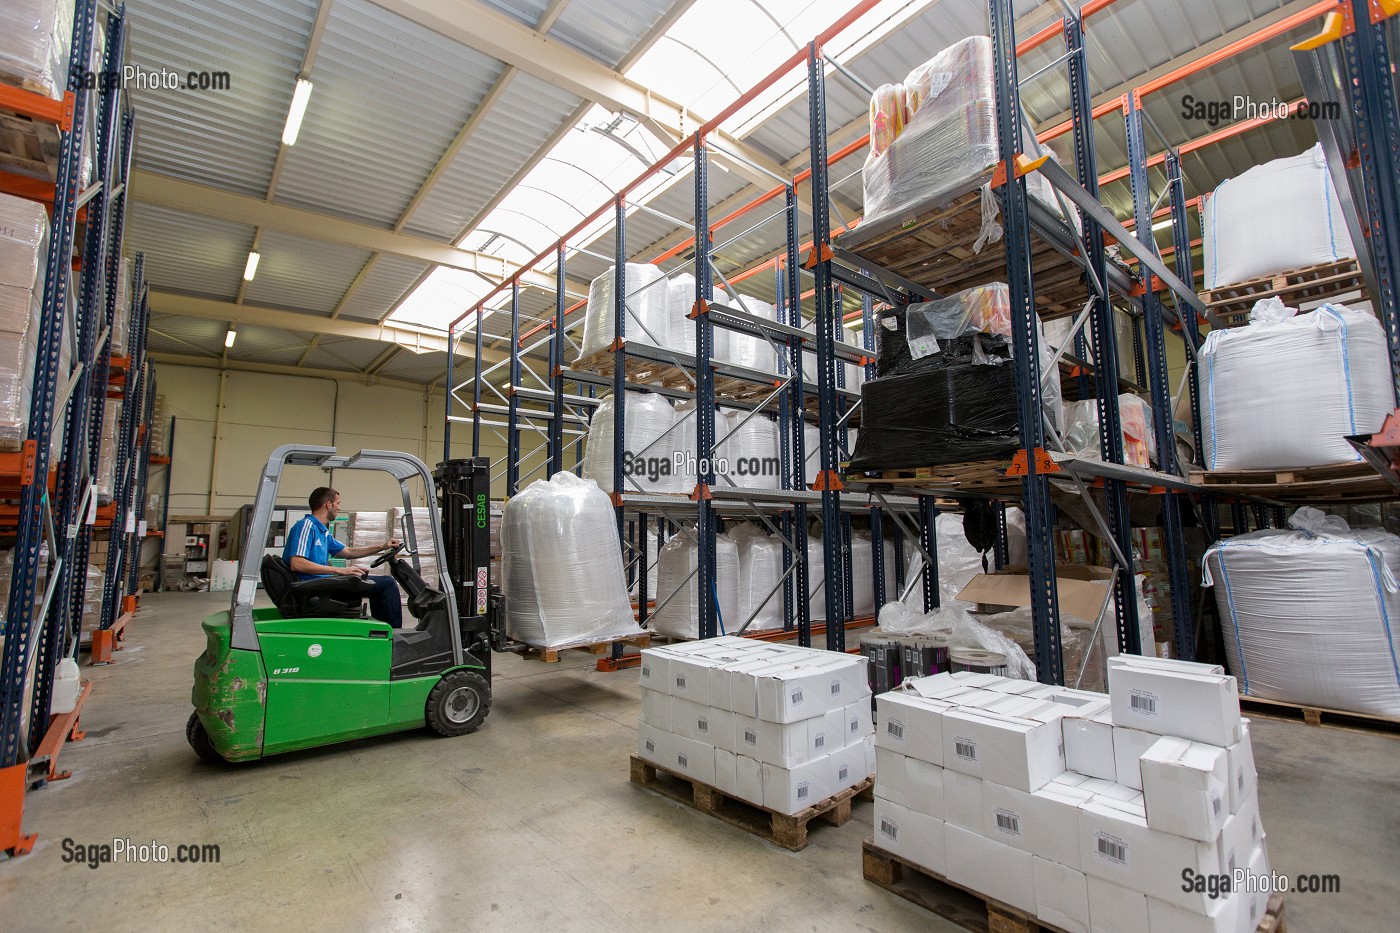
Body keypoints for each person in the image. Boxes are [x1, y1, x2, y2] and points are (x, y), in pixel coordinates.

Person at [283, 487, 403, 628]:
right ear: (328, 504)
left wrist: (383, 547)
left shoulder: (322, 531)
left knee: (375, 582)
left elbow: (348, 552)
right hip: (314, 589)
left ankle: (383, 631)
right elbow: (297, 563)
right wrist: (341, 571)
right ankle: (393, 637)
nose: (339, 508)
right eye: (338, 503)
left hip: (320, 585)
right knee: (387, 584)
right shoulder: (306, 526)